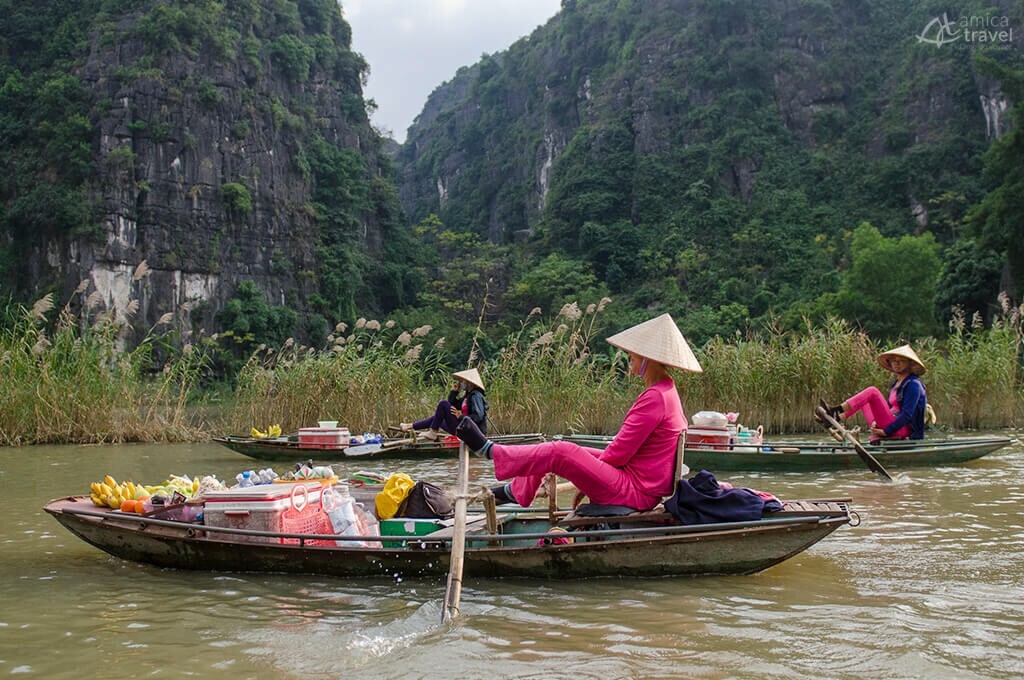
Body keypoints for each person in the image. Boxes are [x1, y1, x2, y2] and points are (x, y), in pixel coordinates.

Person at [455, 313, 702, 510]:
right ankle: (516, 491)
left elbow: (617, 455)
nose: (629, 356)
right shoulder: (666, 390)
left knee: (561, 452)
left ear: (649, 358)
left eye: (633, 353)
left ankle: (492, 451)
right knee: (558, 447)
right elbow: (621, 455)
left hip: (635, 490)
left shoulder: (655, 397)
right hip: (638, 481)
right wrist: (585, 469)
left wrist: (586, 477)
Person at [820, 344, 928, 441]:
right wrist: (877, 423)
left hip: (901, 429)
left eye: (901, 361)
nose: (896, 363)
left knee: (872, 392)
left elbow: (907, 415)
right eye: (894, 360)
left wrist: (886, 431)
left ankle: (837, 410)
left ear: (910, 364)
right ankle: (837, 417)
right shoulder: (896, 383)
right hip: (889, 422)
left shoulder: (914, 384)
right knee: (864, 401)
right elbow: (890, 409)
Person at [401, 368, 488, 440]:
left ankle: (433, 432)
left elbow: (478, 417)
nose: (461, 383)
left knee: (443, 403)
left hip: (473, 432)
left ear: (470, 383)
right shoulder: (468, 396)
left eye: (462, 381)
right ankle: (411, 426)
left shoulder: (476, 396)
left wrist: (460, 416)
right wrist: (454, 392)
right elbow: (453, 404)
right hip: (465, 427)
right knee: (437, 418)